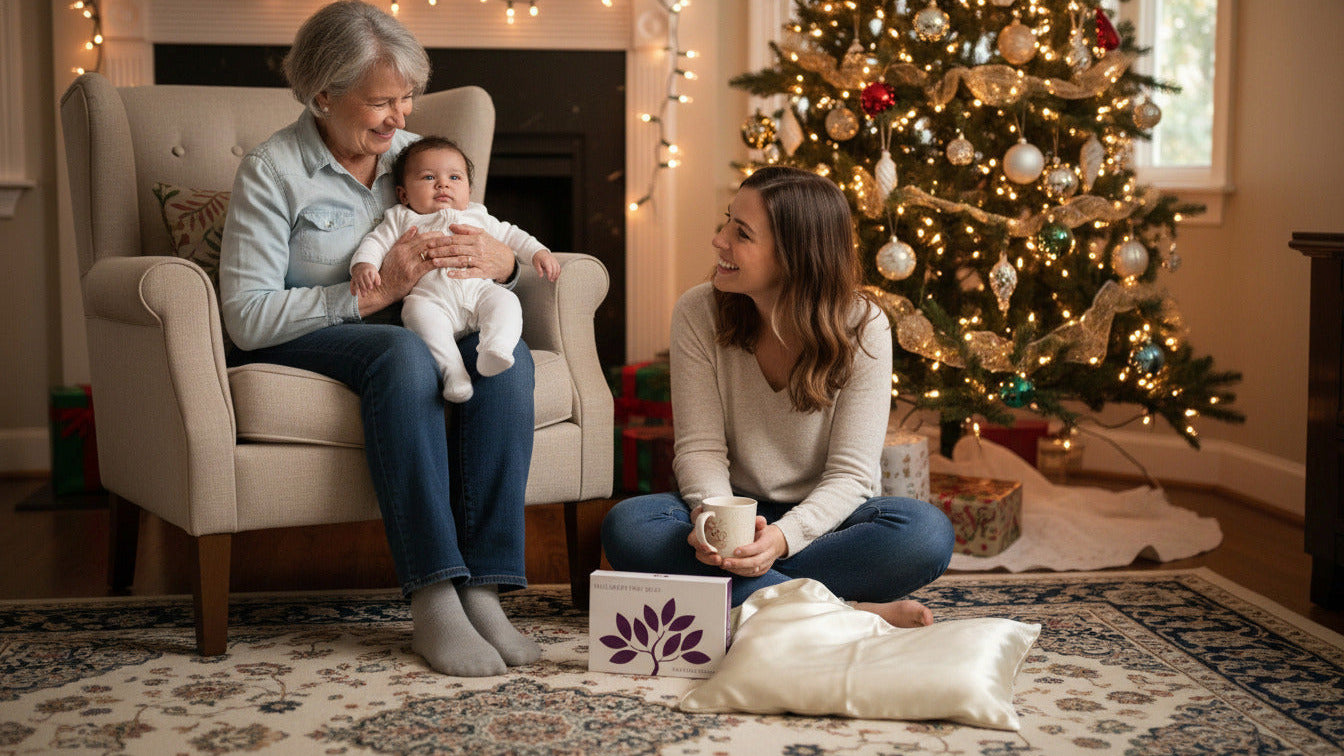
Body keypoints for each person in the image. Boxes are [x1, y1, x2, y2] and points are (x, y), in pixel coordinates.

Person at [219, 0, 539, 677]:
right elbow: (245, 316)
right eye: (381, 102)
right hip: (309, 333)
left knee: (506, 361)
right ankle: (433, 597)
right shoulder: (273, 171)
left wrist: (501, 263)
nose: (400, 117)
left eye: (407, 98)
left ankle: (483, 589)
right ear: (322, 95)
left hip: (415, 322)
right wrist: (374, 293)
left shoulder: (414, 159)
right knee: (401, 352)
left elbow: (490, 237)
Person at [601, 166, 955, 627]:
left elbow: (850, 476)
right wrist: (720, 525)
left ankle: (749, 599)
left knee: (925, 534)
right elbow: (699, 449)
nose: (719, 240)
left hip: (826, 522)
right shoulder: (698, 311)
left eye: (741, 234)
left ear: (794, 257)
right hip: (732, 507)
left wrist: (782, 540)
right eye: (728, 220)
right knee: (630, 525)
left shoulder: (864, 325)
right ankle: (844, 614)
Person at [350, 136, 560, 402]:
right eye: (428, 178)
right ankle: (454, 375)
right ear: (403, 194)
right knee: (416, 314)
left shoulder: (478, 215)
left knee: (506, 301)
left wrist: (539, 252)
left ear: (469, 191)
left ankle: (496, 348)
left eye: (455, 178)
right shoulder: (401, 217)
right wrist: (364, 264)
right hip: (432, 301)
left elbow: (511, 235)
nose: (442, 184)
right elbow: (375, 242)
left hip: (479, 292)